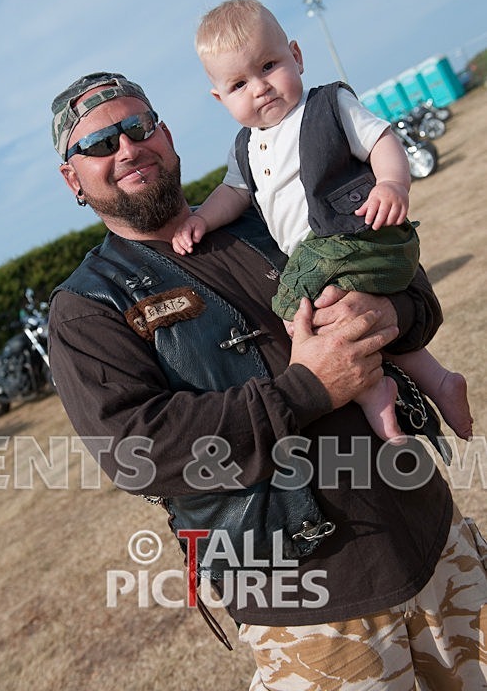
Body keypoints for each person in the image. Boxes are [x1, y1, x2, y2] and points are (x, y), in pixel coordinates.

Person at [48, 71, 487, 690]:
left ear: (166, 135)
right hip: (309, 612)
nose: (126, 149)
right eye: (97, 145)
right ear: (73, 179)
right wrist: (308, 387)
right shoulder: (87, 307)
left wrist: (392, 313)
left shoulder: (269, 209)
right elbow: (138, 450)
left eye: (137, 127)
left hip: (435, 539)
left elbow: (408, 283)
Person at [173, 0, 473, 446]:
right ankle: (437, 380)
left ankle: (374, 394)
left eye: (269, 65)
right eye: (239, 84)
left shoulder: (328, 105)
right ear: (220, 98)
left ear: (296, 55)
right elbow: (232, 194)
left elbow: (381, 138)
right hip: (330, 258)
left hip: (358, 234)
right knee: (340, 320)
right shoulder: (245, 148)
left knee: (296, 311)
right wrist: (201, 219)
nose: (260, 87)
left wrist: (393, 185)